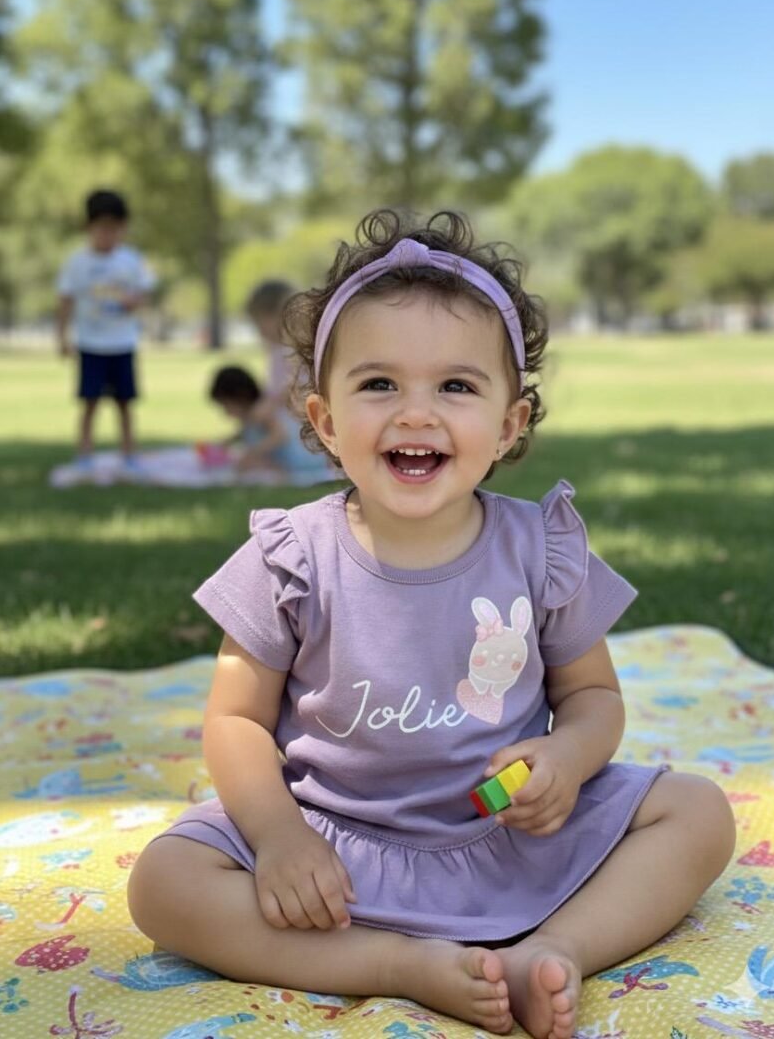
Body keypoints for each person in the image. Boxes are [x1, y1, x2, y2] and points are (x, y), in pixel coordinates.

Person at [128, 209, 736, 1039]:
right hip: (334, 842)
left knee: (699, 813)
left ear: (510, 425)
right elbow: (234, 717)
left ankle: (552, 949)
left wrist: (565, 755)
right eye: (379, 384)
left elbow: (595, 698)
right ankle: (391, 963)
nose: (416, 413)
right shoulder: (291, 557)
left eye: (456, 386)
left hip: (503, 836)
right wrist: (277, 839)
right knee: (163, 881)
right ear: (327, 420)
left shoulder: (540, 548)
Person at [57, 189, 155, 474]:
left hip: (122, 343)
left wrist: (132, 302)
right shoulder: (77, 262)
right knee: (89, 403)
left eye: (115, 229)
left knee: (125, 404)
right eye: (102, 228)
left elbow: (145, 293)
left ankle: (130, 455)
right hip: (90, 345)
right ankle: (84, 456)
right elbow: (65, 301)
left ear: (123, 229)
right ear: (89, 227)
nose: (108, 235)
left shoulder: (131, 260)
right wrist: (62, 337)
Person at [245, 279, 332, 482]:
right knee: (256, 422)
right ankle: (267, 459)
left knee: (265, 423)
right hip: (292, 421)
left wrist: (268, 405)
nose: (258, 330)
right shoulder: (281, 351)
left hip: (295, 422)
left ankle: (262, 457)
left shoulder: (289, 352)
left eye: (259, 322)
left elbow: (290, 386)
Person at [206, 364, 290, 475]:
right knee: (244, 464)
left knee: (246, 465)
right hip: (278, 458)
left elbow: (280, 436)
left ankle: (281, 473)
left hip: (290, 460)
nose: (225, 412)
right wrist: (227, 442)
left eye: (226, 405)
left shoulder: (260, 412)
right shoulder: (248, 416)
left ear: (240, 397)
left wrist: (253, 453)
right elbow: (246, 433)